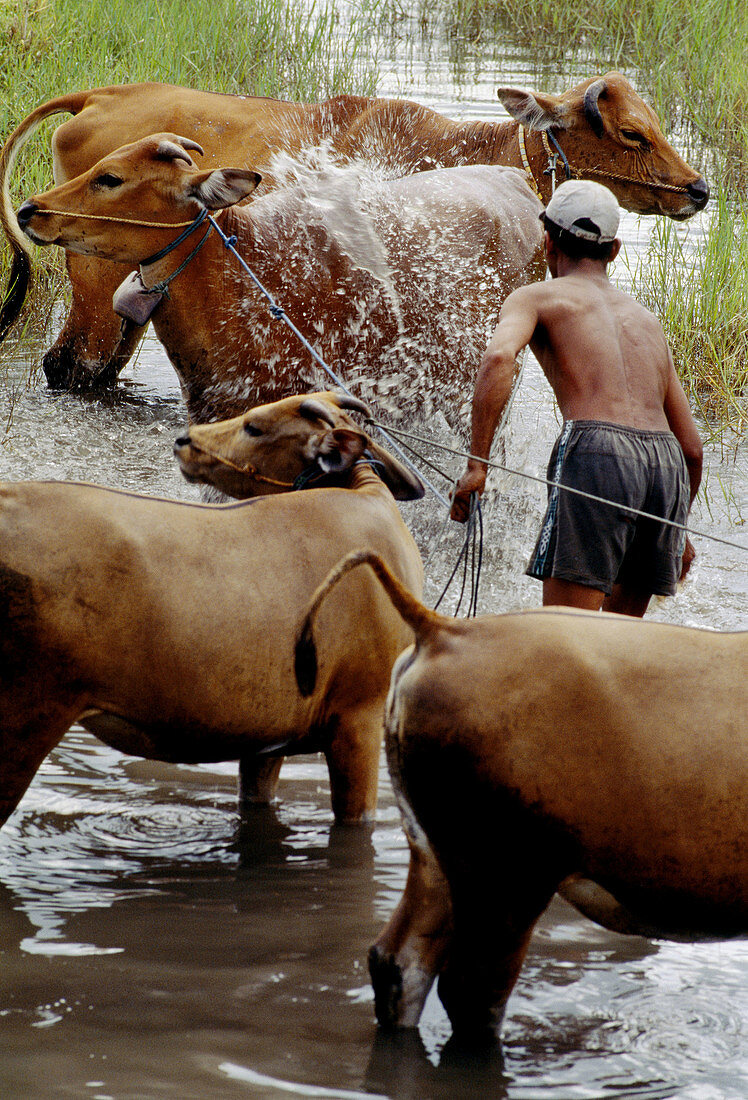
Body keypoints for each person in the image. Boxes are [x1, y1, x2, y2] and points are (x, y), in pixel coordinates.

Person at [450, 179, 703, 618]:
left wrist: (477, 465)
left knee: (568, 636)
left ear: (547, 242)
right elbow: (693, 450)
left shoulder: (536, 298)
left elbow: (496, 358)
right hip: (665, 467)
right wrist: (676, 528)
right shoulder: (645, 320)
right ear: (615, 250)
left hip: (598, 453)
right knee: (617, 645)